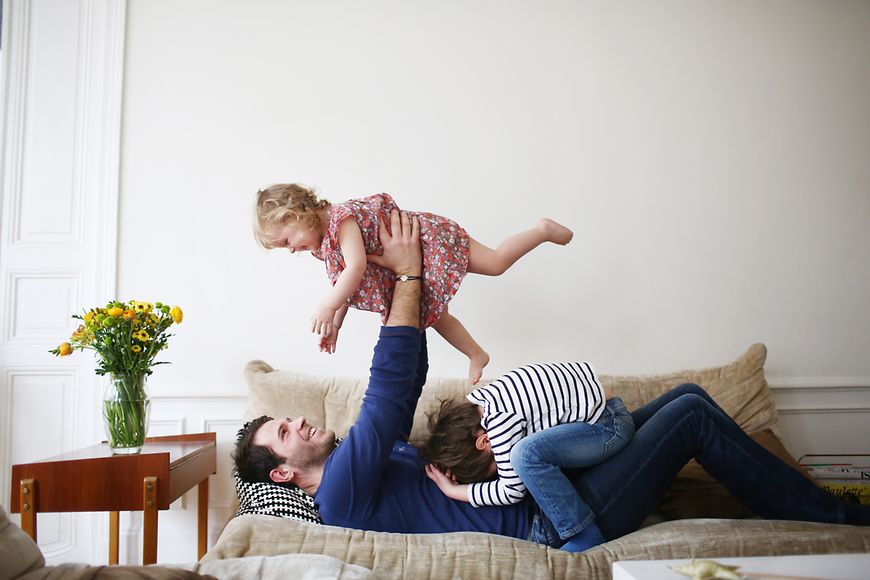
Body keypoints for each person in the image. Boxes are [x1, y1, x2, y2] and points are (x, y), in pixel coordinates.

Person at [233, 209, 869, 551]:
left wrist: (416, 290)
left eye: (289, 418)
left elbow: (409, 374)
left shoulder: (365, 462)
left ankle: (815, 509)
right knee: (692, 418)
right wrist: (405, 276)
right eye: (285, 432)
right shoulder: (341, 491)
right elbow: (389, 391)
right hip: (550, 517)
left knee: (689, 399)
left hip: (551, 484)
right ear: (285, 473)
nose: (300, 422)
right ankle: (836, 522)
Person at [252, 183, 573, 383]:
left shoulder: (341, 218)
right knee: (435, 317)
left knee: (495, 263)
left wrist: (326, 305)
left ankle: (542, 231)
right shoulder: (324, 247)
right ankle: (476, 353)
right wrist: (335, 324)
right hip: (405, 267)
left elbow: (357, 267)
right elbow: (343, 283)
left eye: (286, 241)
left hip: (426, 241)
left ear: (297, 214)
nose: (291, 249)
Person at [422, 363, 634, 552]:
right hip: (606, 410)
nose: (500, 471)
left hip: (607, 428)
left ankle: (582, 534)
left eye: (492, 468)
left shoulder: (499, 424)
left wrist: (454, 490)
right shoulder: (485, 398)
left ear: (484, 443)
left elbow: (511, 491)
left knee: (523, 457)